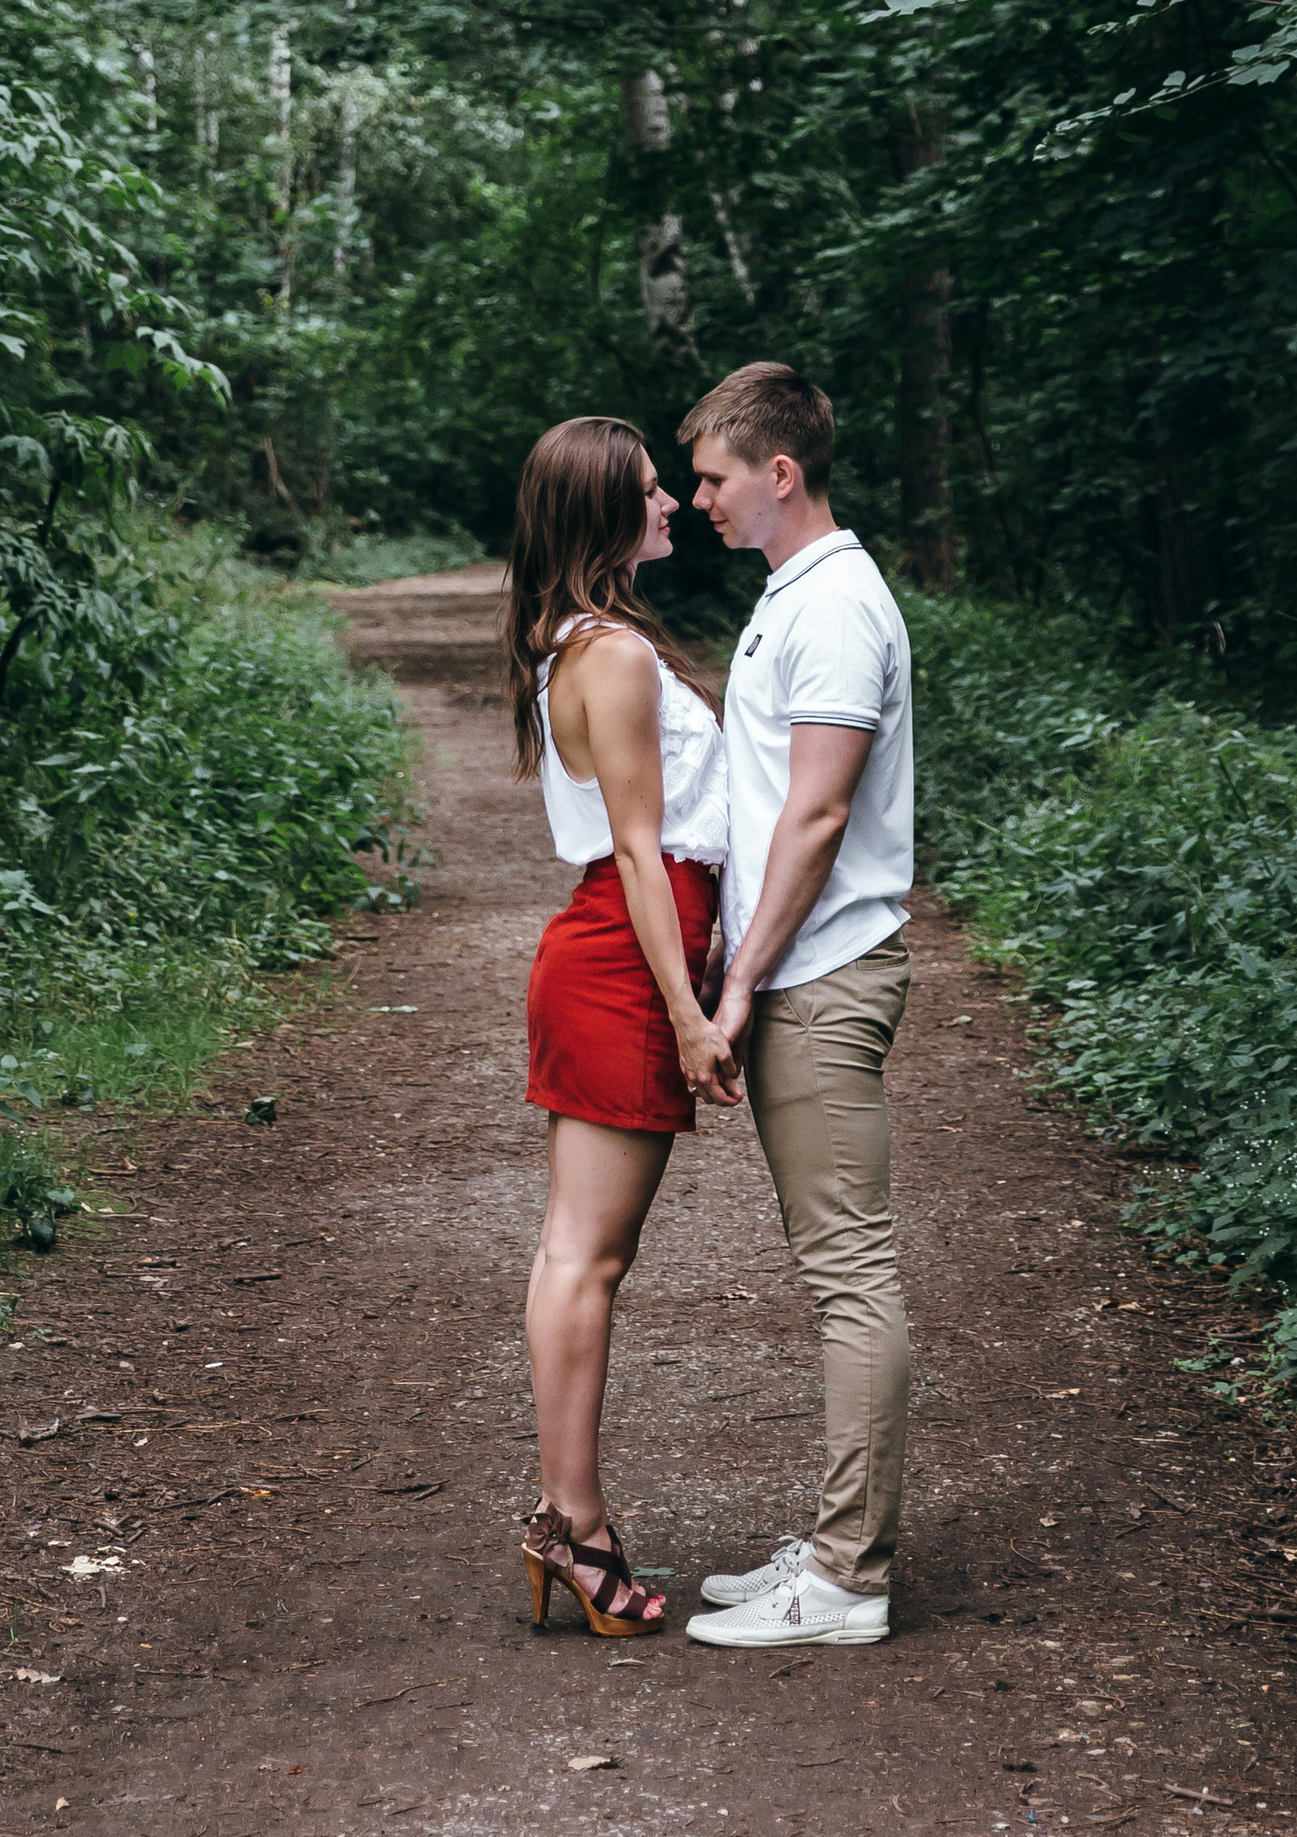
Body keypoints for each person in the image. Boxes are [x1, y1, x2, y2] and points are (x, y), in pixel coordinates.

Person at [677, 361, 915, 1653]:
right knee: (838, 1271)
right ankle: (837, 1541)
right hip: (807, 970)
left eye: (715, 475)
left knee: (850, 1276)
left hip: (822, 976)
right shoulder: (796, 592)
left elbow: (818, 815)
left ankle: (846, 1576)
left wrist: (738, 982)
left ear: (781, 474)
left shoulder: (834, 607)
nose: (698, 495)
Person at [506, 413, 740, 1639]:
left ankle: (566, 1514)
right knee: (585, 1259)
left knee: (576, 1254)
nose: (670, 504)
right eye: (650, 491)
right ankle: (573, 1524)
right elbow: (645, 855)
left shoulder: (586, 640)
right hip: (621, 958)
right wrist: (693, 1014)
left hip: (605, 954)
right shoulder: (615, 654)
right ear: (605, 515)